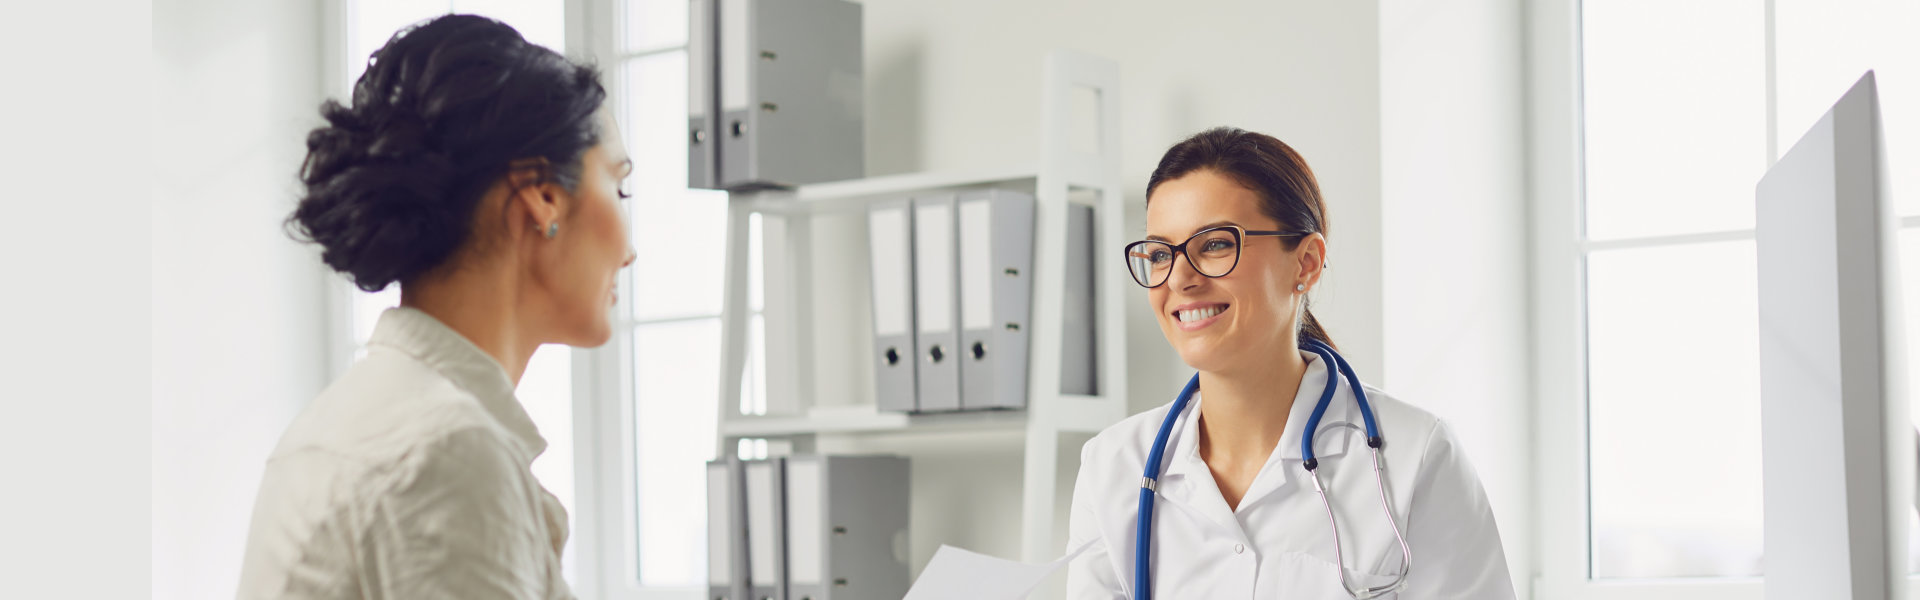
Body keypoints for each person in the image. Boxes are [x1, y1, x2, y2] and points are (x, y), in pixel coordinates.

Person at [236, 14, 634, 599]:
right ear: (542, 197)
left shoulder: (365, 416)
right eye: (619, 187)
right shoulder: (446, 451)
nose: (630, 249)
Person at [1065, 127, 1514, 598]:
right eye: (1160, 254)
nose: (1179, 278)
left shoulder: (1414, 456)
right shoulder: (1113, 467)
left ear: (1305, 263)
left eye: (1215, 244)